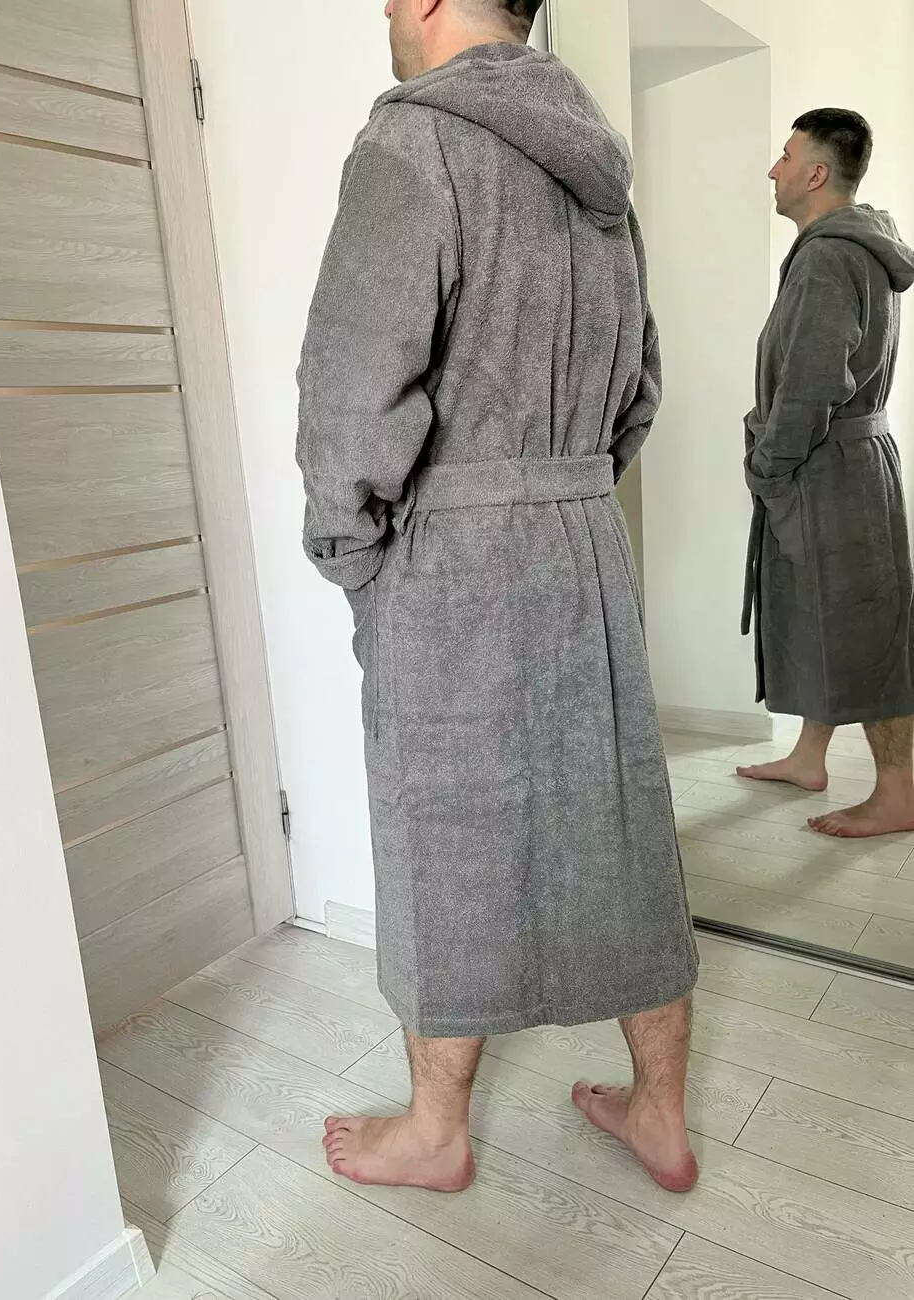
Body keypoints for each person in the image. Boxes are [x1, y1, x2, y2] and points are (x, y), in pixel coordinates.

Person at [297, 0, 698, 1195]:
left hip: (451, 559)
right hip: (584, 542)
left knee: (445, 833)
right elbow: (641, 385)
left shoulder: (410, 143)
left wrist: (354, 557)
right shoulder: (600, 172)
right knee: (620, 826)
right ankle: (661, 1111)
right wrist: (566, 493)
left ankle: (437, 1128)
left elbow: (350, 394)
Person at [738, 110, 914, 838]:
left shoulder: (825, 258)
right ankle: (809, 756)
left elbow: (812, 381)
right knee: (831, 614)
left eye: (785, 157)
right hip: (852, 463)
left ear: (815, 173)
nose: (773, 169)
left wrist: (768, 466)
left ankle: (899, 792)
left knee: (864, 631)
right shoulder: (856, 245)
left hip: (828, 469)